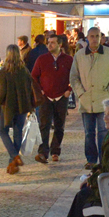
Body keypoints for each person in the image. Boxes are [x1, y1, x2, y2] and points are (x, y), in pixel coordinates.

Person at [71, 27, 109, 167]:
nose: (94, 39)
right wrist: (80, 93)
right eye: (92, 36)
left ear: (101, 38)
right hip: (86, 100)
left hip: (104, 100)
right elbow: (74, 77)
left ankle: (103, 160)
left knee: (103, 132)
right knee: (88, 133)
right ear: (87, 37)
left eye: (97, 36)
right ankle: (91, 159)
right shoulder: (80, 55)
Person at [0, 44, 35, 174]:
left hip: (8, 106)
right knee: (17, 132)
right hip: (22, 106)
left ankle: (14, 156)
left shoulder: (5, 71)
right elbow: (29, 88)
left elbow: (1, 91)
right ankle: (13, 162)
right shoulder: (24, 70)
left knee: (2, 130)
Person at [32, 34, 73, 163]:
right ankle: (43, 152)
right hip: (46, 97)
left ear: (60, 45)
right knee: (44, 125)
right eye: (48, 42)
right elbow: (33, 77)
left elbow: (75, 76)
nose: (49, 45)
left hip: (62, 96)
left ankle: (55, 150)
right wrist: (40, 91)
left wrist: (69, 90)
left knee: (59, 125)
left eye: (53, 43)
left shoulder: (68, 60)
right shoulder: (42, 59)